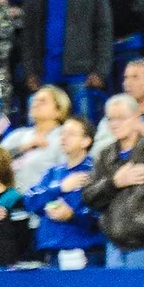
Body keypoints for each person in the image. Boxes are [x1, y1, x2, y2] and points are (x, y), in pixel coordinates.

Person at [81, 93, 144, 268]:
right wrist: (114, 183)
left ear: (137, 118)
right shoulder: (104, 155)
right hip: (114, 246)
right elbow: (88, 196)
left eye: (121, 118)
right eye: (110, 119)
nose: (115, 124)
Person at [19, 0, 109, 116]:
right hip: (45, 73)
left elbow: (104, 31)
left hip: (80, 74)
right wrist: (29, 71)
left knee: (84, 125)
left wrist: (100, 70)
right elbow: (27, 35)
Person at [23, 111, 100, 268]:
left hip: (85, 251)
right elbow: (30, 200)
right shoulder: (53, 173)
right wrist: (60, 188)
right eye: (63, 133)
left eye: (71, 134)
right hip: (52, 252)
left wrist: (72, 215)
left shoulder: (95, 172)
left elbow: (98, 214)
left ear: (86, 141)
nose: (64, 138)